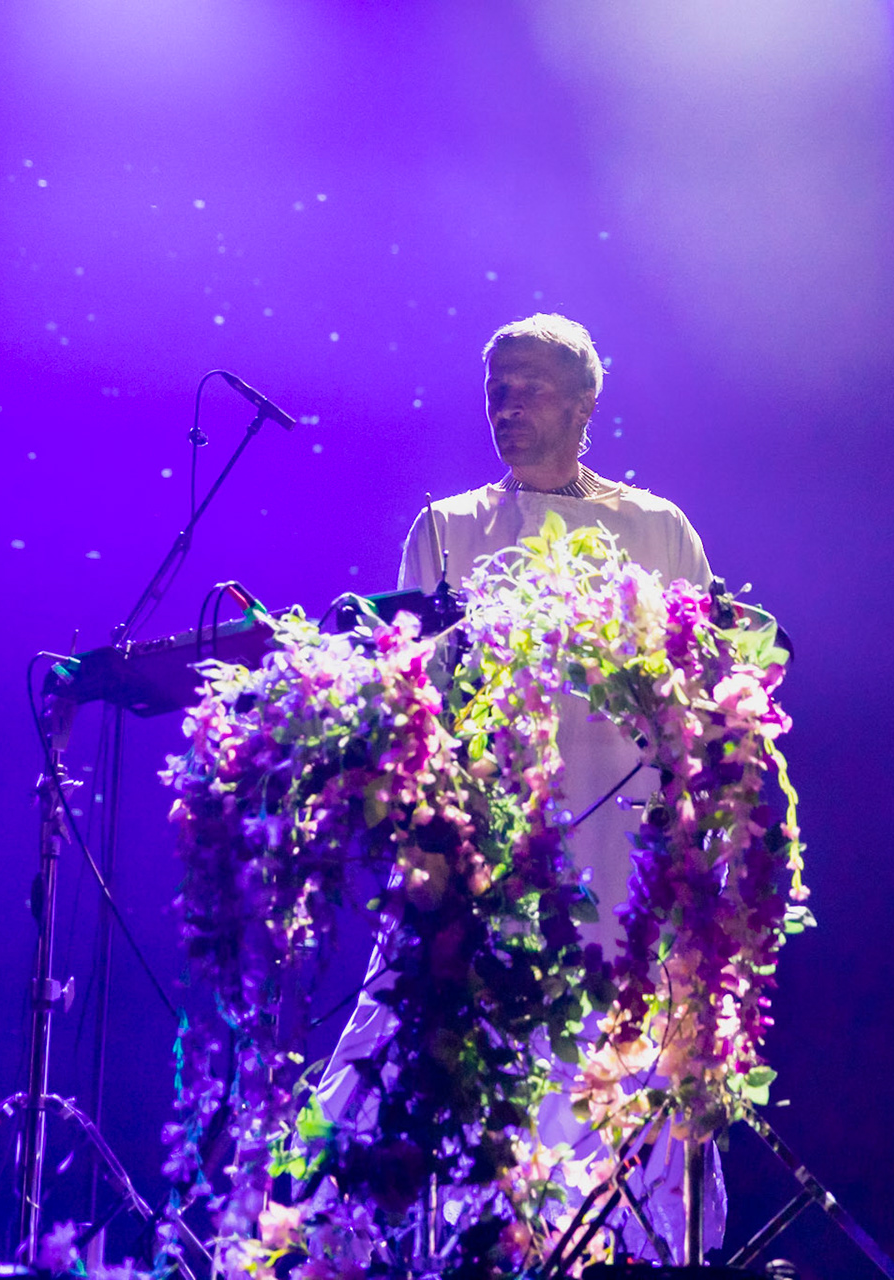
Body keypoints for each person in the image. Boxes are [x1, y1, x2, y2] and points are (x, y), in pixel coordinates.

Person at [315, 314, 724, 1257]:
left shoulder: (657, 529)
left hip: (624, 853)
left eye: (530, 385)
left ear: (585, 402)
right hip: (492, 854)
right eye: (495, 388)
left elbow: (702, 699)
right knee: (465, 1074)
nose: (507, 405)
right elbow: (412, 698)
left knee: (624, 1075)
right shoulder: (449, 529)